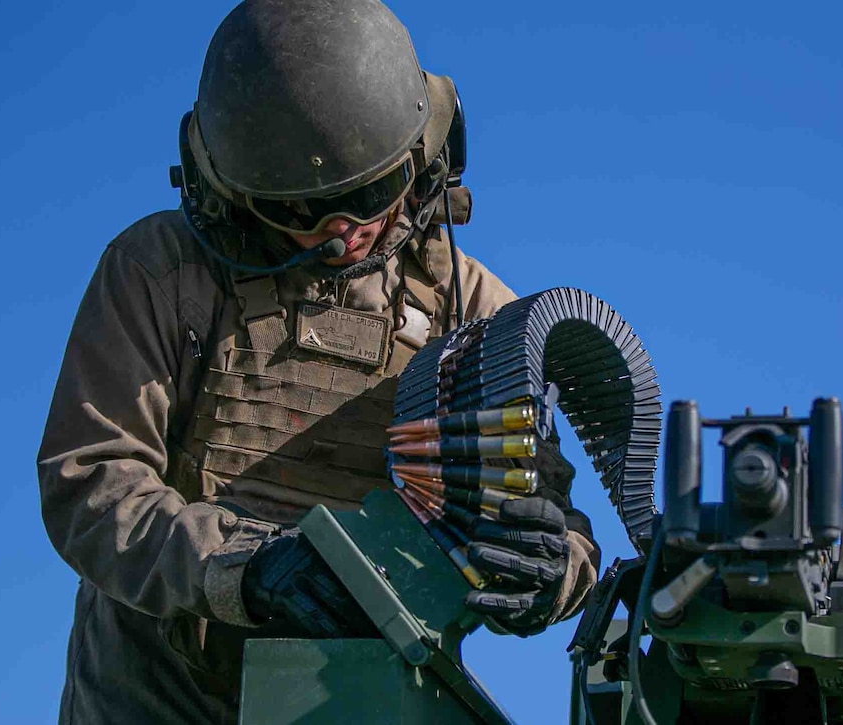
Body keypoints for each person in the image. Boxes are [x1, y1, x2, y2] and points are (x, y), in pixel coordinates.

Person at [37, 1, 601, 722]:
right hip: (159, 697)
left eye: (366, 196)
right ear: (241, 195)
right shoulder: (162, 273)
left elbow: (551, 519)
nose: (344, 233)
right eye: (305, 210)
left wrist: (553, 572)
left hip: (364, 697)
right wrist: (243, 567)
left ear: (417, 158)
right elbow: (91, 482)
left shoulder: (476, 313)